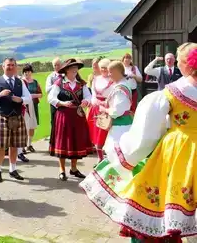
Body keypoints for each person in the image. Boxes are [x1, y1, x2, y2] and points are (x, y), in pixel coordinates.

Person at [80, 42, 197, 242]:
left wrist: (123, 154)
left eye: (178, 61)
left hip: (181, 152)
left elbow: (146, 136)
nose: (177, 64)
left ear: (188, 65)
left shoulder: (173, 92)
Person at [48, 58, 92, 181]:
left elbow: (89, 96)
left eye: (76, 68)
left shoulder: (82, 84)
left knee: (76, 142)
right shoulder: (59, 83)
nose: (75, 70)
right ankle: (62, 169)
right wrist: (62, 103)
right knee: (63, 142)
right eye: (72, 68)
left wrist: (86, 101)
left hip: (77, 116)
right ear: (66, 71)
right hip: (63, 116)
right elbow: (51, 98)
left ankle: (73, 168)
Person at [0, 57, 32, 183]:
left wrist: (22, 100)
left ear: (16, 67)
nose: (11, 67)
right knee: (1, 146)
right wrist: (0, 94)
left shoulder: (20, 82)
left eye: (13, 65)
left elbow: (28, 97)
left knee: (15, 145)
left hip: (17, 116)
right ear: (3, 67)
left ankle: (12, 169)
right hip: (2, 116)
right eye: (8, 65)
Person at [86, 58, 113, 164]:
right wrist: (95, 102)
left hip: (107, 108)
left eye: (105, 68)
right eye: (102, 68)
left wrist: (106, 104)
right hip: (96, 108)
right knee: (97, 133)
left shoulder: (112, 80)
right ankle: (100, 157)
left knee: (106, 132)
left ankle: (110, 156)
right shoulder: (96, 79)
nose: (103, 70)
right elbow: (92, 93)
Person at [45, 57, 62, 125]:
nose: (57, 67)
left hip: (65, 101)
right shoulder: (50, 77)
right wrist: (55, 84)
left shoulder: (66, 75)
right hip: (54, 102)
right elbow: (47, 90)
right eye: (55, 65)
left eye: (58, 64)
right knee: (54, 121)